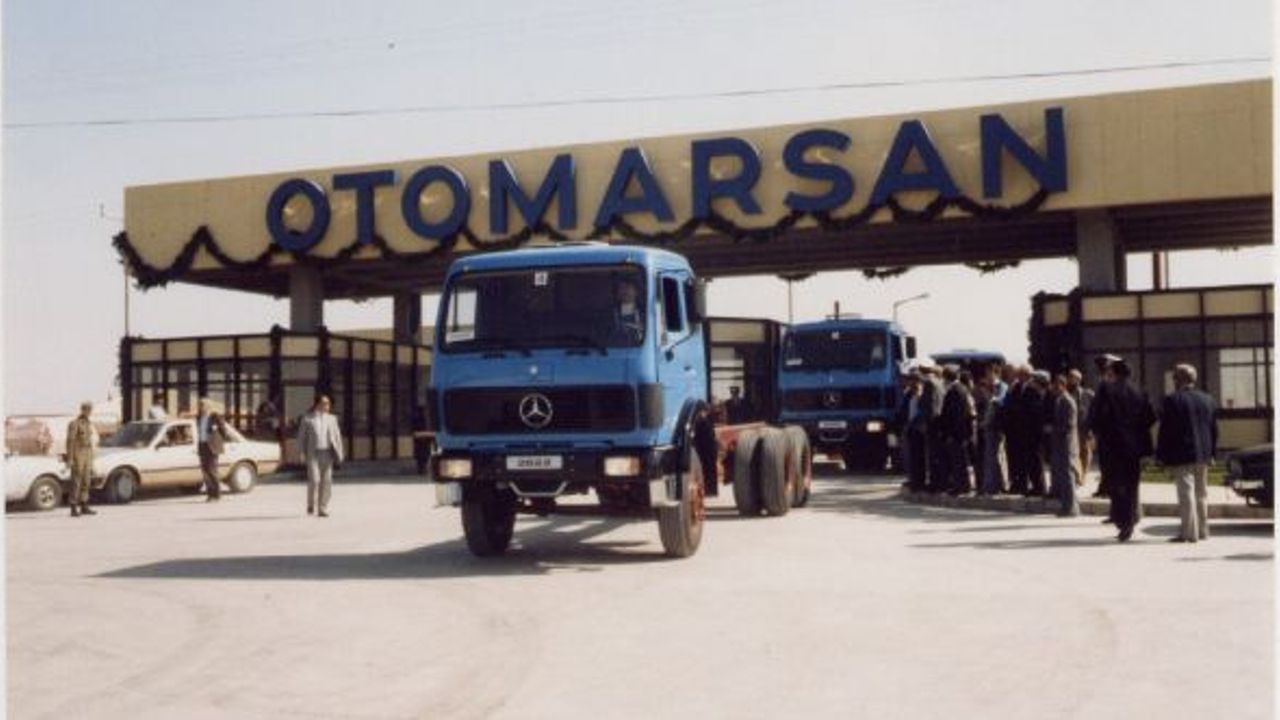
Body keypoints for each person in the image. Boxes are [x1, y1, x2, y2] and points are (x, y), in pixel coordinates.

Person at [1090, 358, 1156, 542]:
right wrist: (1136, 430)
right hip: (1135, 446)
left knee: (1117, 484)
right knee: (1132, 483)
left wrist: (1101, 432)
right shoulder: (1140, 391)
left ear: (1116, 373)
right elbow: (1150, 417)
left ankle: (1123, 522)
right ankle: (1132, 517)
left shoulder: (1107, 390)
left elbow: (1097, 416)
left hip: (1113, 444)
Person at [1155, 364, 1217, 543]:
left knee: (1186, 493)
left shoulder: (1172, 400)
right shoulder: (1207, 399)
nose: (1173, 381)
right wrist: (1212, 453)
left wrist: (1161, 456)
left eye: (1175, 378)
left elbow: (1165, 431)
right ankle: (1203, 531)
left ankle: (1189, 533)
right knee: (1201, 493)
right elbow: (1213, 430)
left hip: (1181, 454)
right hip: (1203, 454)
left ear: (1179, 380)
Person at [298, 394, 345, 517]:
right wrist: (302, 453)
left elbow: (337, 437)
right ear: (317, 404)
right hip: (312, 453)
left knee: (327, 481)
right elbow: (301, 438)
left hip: (327, 453)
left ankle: (322, 508)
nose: (327, 406)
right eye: (325, 403)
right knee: (315, 480)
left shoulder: (332, 419)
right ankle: (310, 504)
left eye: (328, 403)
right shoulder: (307, 419)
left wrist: (340, 454)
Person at [1049, 374, 1082, 517]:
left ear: (1062, 385)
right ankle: (1067, 505)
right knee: (1063, 476)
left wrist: (1053, 429)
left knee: (1068, 476)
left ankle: (1070, 508)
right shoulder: (1059, 400)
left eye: (1056, 386)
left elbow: (1069, 425)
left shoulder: (1068, 402)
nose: (1053, 389)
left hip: (1067, 444)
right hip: (1060, 444)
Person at [940, 365, 975, 495]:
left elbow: (955, 415)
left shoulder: (954, 390)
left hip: (956, 433)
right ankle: (963, 485)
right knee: (960, 460)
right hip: (960, 432)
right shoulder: (961, 388)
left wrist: (951, 433)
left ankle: (960, 486)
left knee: (958, 461)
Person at [65, 401, 98, 517]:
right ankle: (73, 507)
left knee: (86, 480)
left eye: (90, 409)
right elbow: (70, 442)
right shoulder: (74, 424)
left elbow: (90, 441)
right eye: (87, 409)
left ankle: (84, 505)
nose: (89, 411)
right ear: (82, 410)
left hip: (87, 453)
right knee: (76, 481)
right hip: (78, 453)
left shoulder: (89, 424)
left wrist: (92, 457)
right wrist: (70, 459)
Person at [196, 397, 229, 502]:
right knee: (205, 471)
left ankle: (217, 494)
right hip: (202, 445)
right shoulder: (199, 417)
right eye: (200, 405)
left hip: (212, 446)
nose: (201, 407)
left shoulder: (215, 416)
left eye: (203, 405)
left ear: (208, 406)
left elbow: (223, 430)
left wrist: (218, 442)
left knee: (212, 470)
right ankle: (210, 494)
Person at [1066, 369, 1094, 486]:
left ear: (1080, 379)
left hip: (1084, 428)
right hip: (1072, 429)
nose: (1073, 380)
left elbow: (1093, 411)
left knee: (1085, 453)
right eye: (1071, 377)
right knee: (1073, 453)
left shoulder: (1088, 394)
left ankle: (1083, 476)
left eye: (1075, 378)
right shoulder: (1066, 393)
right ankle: (1077, 475)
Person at [612, 279, 644, 343]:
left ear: (636, 291)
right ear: (617, 293)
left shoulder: (645, 312)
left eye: (628, 287)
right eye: (622, 288)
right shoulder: (608, 314)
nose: (625, 291)